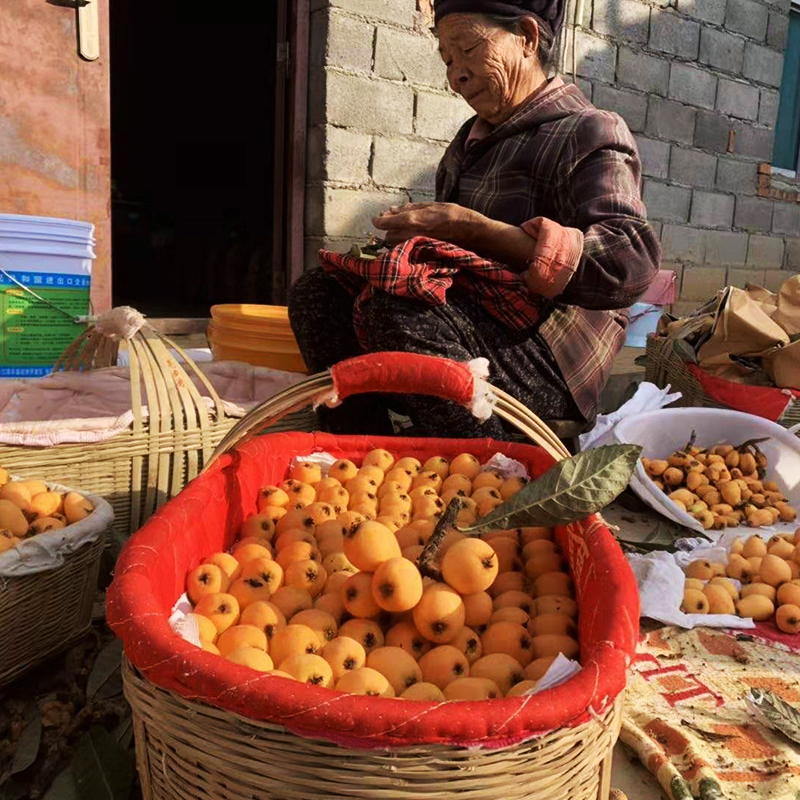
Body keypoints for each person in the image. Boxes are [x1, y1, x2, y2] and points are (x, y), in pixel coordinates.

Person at [288, 0, 661, 439]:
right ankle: (360, 454)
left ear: (526, 37)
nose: (455, 75)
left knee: (400, 307)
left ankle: (496, 470)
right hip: (473, 336)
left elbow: (629, 262)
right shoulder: (466, 144)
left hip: (549, 363)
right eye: (447, 58)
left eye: (467, 49)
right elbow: (449, 267)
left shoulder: (589, 130)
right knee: (318, 292)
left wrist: (469, 227)